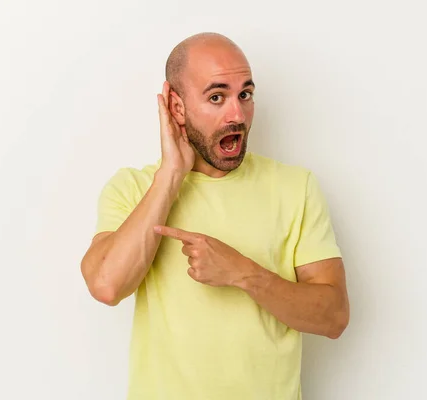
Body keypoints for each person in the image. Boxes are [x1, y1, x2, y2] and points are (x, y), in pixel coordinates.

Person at [80, 32, 350, 400]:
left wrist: (243, 273)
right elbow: (106, 285)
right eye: (216, 97)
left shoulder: (295, 187)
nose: (237, 114)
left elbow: (333, 317)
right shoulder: (133, 188)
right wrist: (170, 176)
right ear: (176, 107)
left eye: (245, 95)